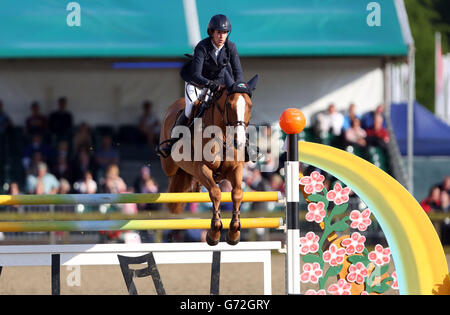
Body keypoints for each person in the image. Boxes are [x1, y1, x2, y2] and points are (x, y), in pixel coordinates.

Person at [162, 14, 243, 152]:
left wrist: (240, 88)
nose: (222, 36)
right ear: (212, 32)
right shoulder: (202, 47)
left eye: (225, 32)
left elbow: (238, 72)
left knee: (236, 108)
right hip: (197, 84)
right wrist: (210, 85)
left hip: (220, 85)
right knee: (190, 109)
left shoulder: (231, 47)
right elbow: (196, 74)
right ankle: (173, 142)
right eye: (219, 32)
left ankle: (244, 143)